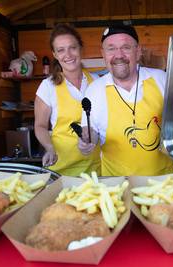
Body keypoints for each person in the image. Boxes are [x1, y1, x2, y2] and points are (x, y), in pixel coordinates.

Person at [78, 25, 173, 176]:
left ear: (137, 52)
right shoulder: (94, 90)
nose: (119, 55)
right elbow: (94, 134)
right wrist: (88, 140)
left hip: (164, 182)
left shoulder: (162, 79)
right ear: (103, 54)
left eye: (126, 47)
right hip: (116, 186)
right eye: (111, 48)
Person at [34, 24, 101, 176]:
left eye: (72, 47)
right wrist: (49, 148)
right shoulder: (48, 86)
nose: (68, 54)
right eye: (61, 50)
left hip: (95, 169)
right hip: (61, 171)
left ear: (81, 49)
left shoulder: (97, 83)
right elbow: (40, 126)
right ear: (55, 55)